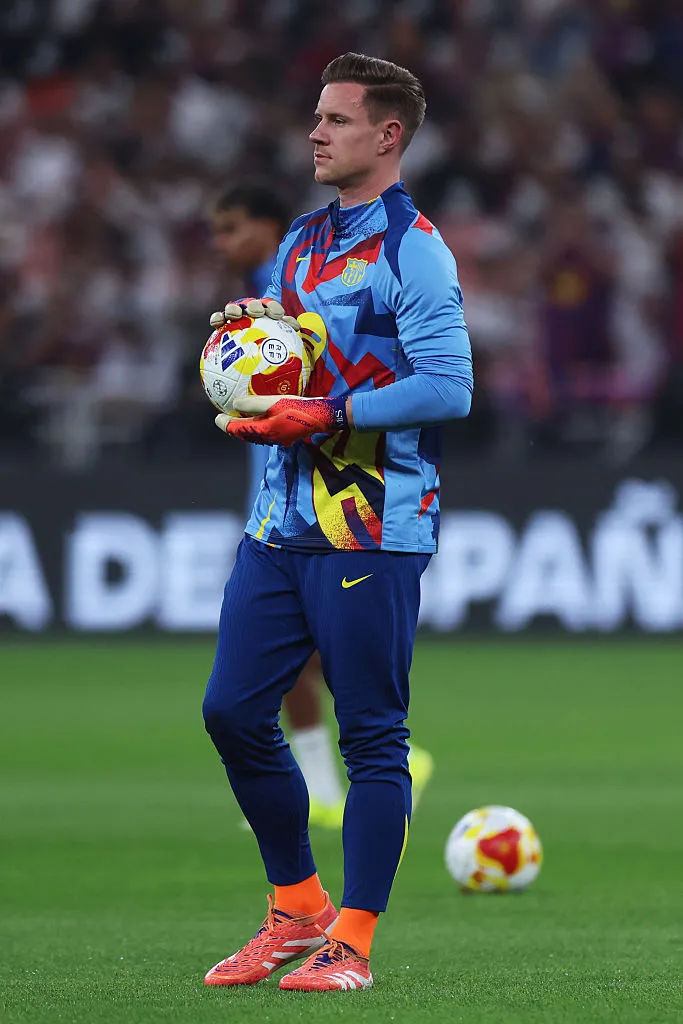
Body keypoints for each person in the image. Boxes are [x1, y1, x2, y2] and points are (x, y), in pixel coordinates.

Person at [202, 52, 473, 992]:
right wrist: (254, 340)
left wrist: (328, 413)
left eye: (336, 120)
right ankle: (295, 909)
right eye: (316, 118)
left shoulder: (416, 248)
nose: (315, 132)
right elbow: (295, 348)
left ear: (387, 135)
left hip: (372, 529)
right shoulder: (303, 241)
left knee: (370, 738)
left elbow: (449, 385)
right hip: (279, 520)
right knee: (231, 711)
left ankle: (350, 943)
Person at [211, 183, 345, 827]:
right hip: (279, 487)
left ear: (268, 226)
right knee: (310, 652)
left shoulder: (283, 292)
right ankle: (329, 779)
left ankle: (322, 784)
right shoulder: (260, 295)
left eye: (232, 227)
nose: (222, 243)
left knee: (290, 651)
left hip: (303, 490)